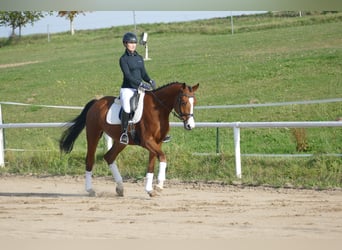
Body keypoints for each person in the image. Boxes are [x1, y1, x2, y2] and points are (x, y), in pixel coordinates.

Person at [119, 32, 156, 144]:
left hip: (140, 88)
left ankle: (157, 130)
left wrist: (150, 80)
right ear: (125, 44)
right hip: (128, 89)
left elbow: (143, 73)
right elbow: (128, 76)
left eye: (134, 42)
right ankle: (124, 133)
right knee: (126, 107)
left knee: (151, 105)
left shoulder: (139, 57)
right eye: (130, 42)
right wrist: (140, 84)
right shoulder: (123, 59)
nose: (133, 45)